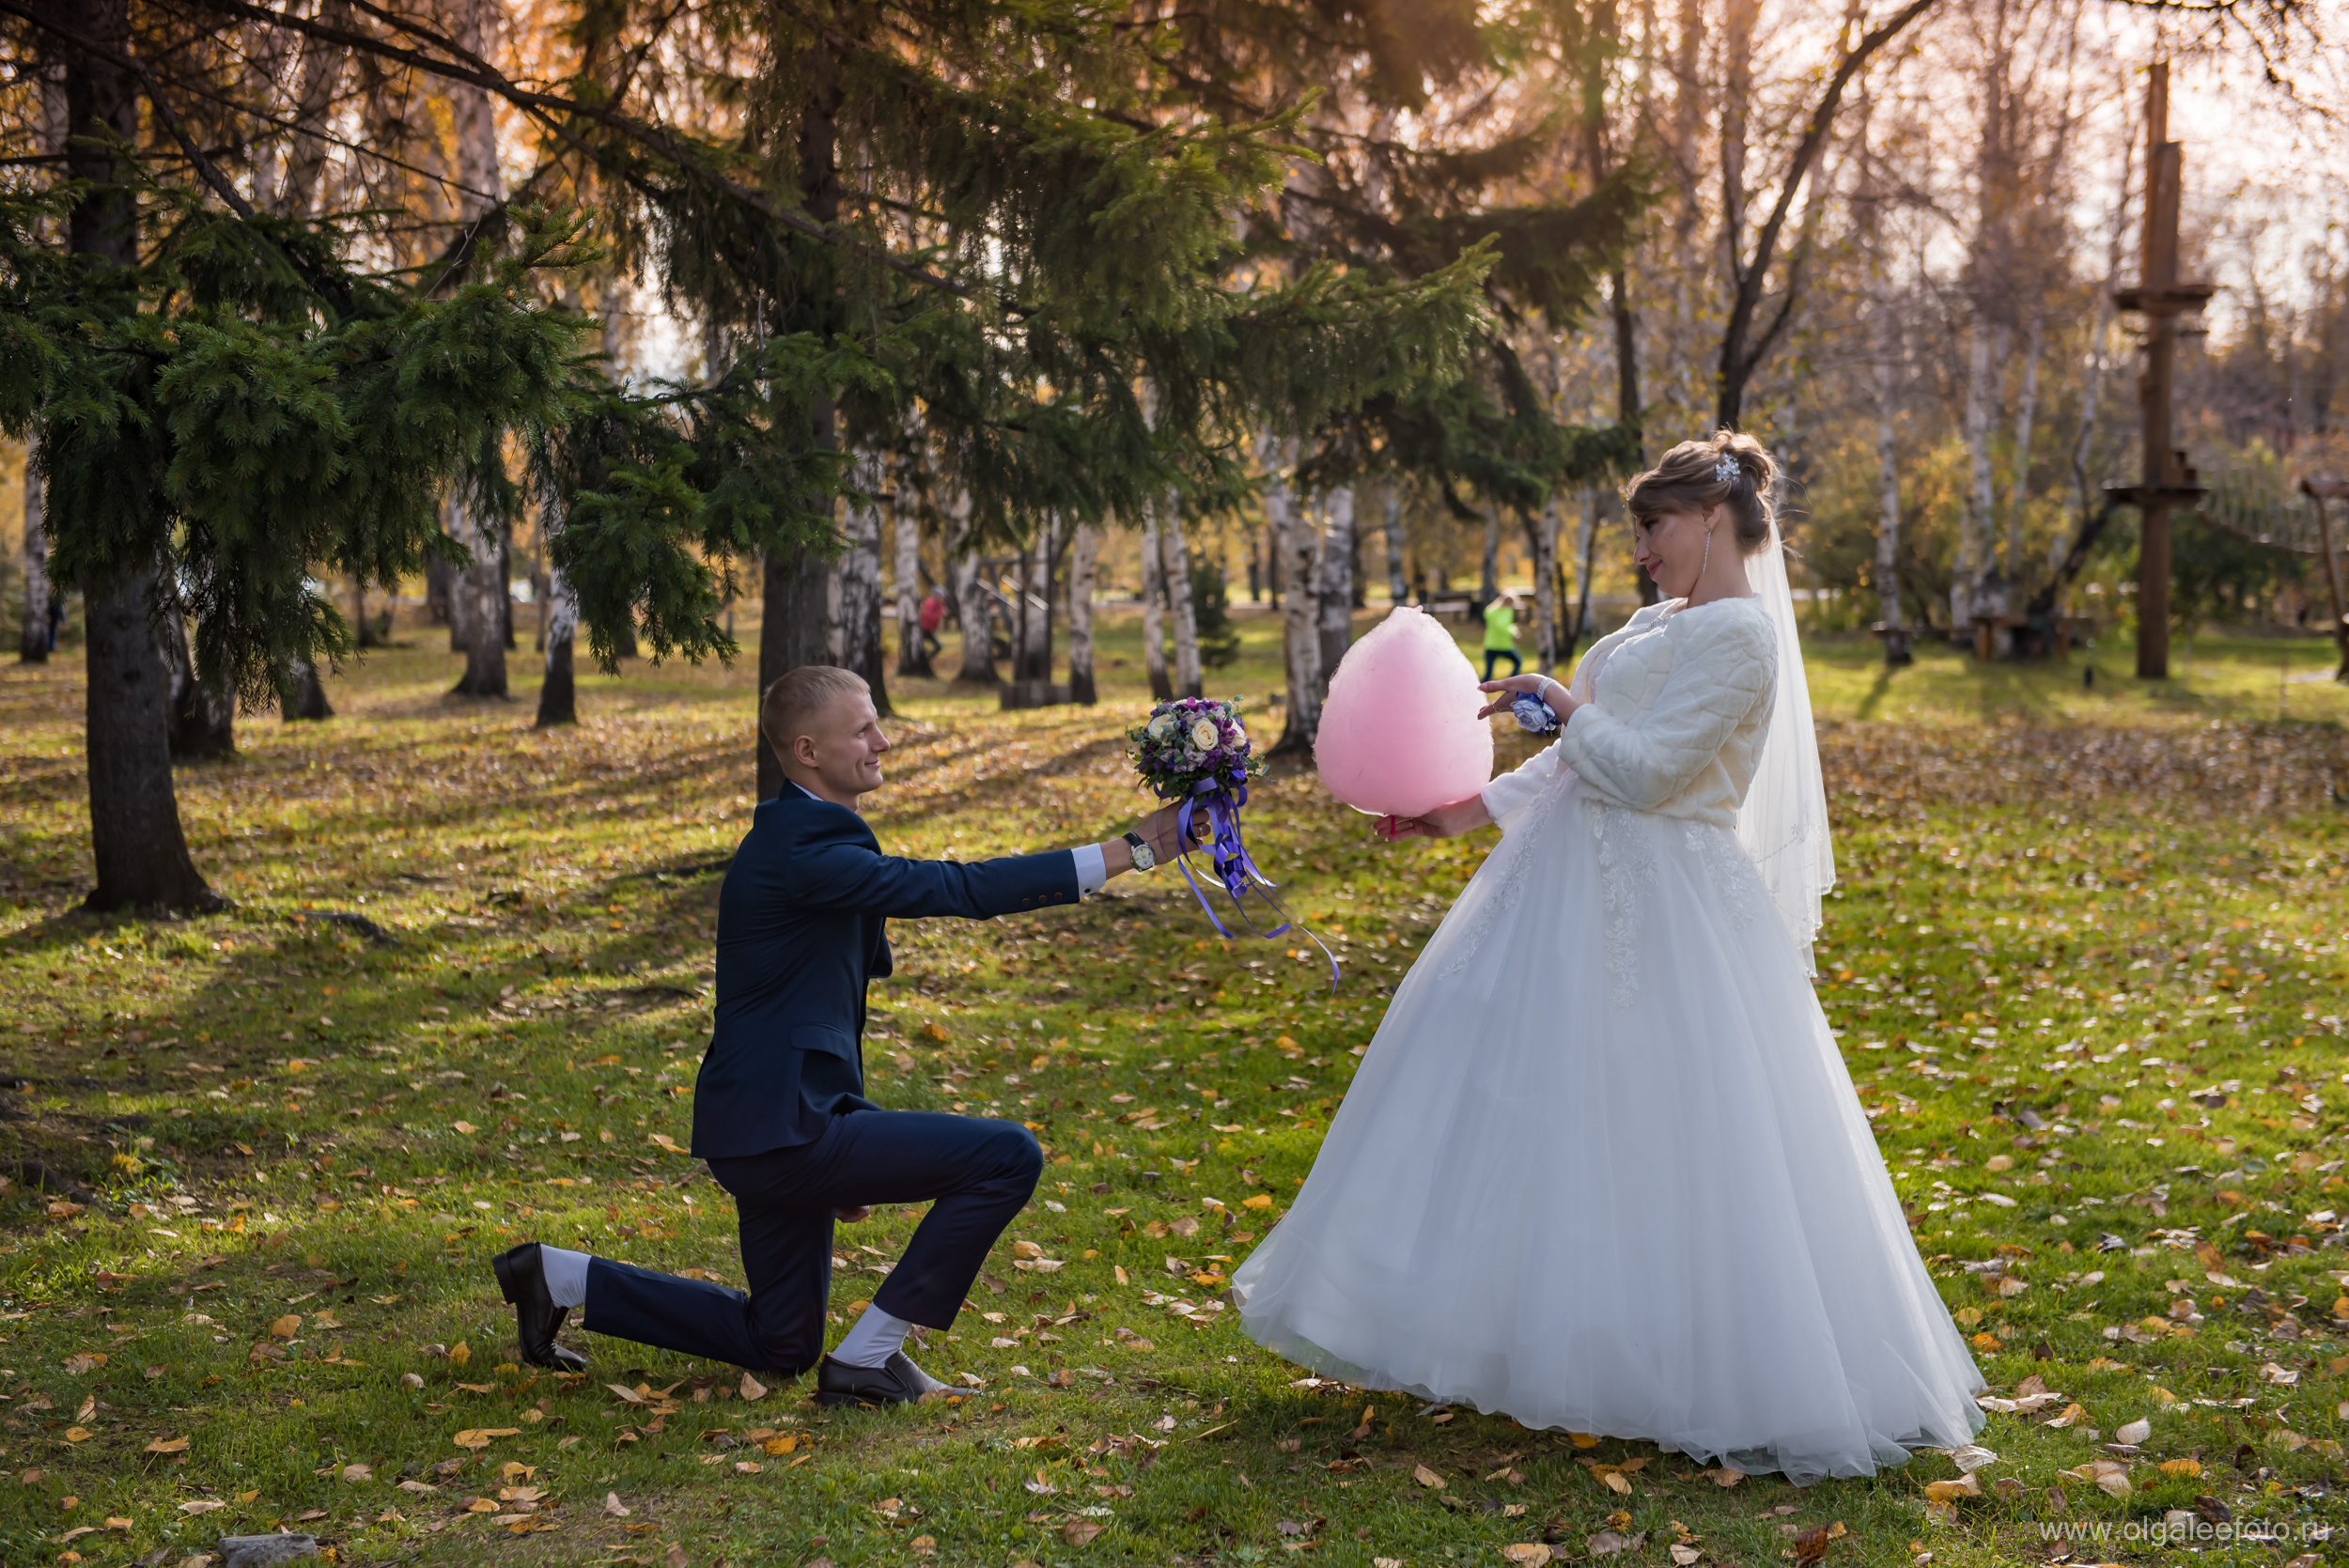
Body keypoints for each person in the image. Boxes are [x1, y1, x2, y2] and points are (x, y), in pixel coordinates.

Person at [1229, 431, 1985, 1483]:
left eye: (1652, 526)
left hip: (1673, 904)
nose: (1641, 550)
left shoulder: (1744, 638)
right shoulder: (1652, 624)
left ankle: (1689, 1360)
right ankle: (1517, 1328)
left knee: (1664, 1121)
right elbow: (1577, 769)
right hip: (1563, 890)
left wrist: (1563, 703)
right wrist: (1460, 810)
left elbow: (1649, 771)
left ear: (1711, 517)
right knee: (1524, 1103)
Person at [491, 665, 1200, 1406]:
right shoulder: (803, 848)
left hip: (773, 1124)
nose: (882, 741)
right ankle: (869, 1356)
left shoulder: (804, 835)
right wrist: (1132, 850)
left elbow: (811, 1008)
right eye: (862, 730)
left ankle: (556, 1274)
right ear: (807, 750)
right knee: (1007, 1156)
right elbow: (959, 887)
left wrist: (846, 1147)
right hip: (781, 1131)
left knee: (781, 1342)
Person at [1482, 589, 1522, 681]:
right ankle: (1511, 682)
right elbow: (1501, 626)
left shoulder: (1492, 610)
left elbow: (1504, 625)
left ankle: (1478, 688)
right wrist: (1514, 632)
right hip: (1502, 645)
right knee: (1518, 661)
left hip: (1491, 644)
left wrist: (1513, 628)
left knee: (1488, 673)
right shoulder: (1504, 611)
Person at [917, 590, 945, 662]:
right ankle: (922, 661)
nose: (943, 599)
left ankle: (926, 660)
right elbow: (929, 615)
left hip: (929, 630)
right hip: (922, 629)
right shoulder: (929, 603)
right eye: (941, 597)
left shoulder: (939, 604)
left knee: (938, 646)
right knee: (919, 648)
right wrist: (940, 613)